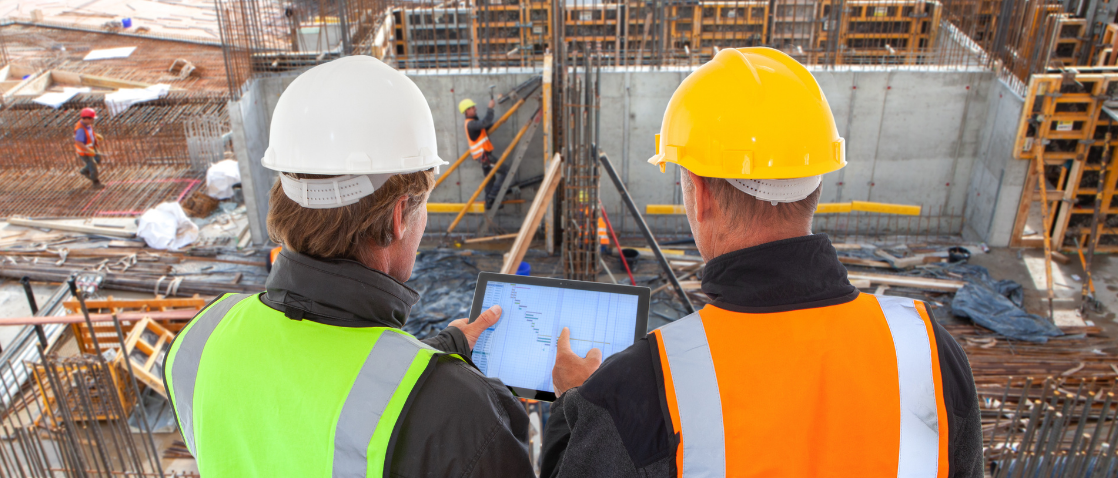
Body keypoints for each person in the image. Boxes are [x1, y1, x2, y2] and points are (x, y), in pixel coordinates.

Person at [542, 47, 982, 477]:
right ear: (816, 185)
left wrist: (573, 402)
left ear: (701, 194)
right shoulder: (930, 351)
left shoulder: (637, 389)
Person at [164, 56, 536, 478]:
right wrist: (581, 409)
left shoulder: (199, 339)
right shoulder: (464, 416)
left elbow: (306, 409)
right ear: (399, 216)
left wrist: (439, 354)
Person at [460, 96, 510, 206]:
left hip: (483, 156)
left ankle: (489, 201)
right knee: (506, 171)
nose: (475, 108)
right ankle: (493, 196)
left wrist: (499, 122)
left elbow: (484, 127)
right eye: (472, 107)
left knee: (490, 178)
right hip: (484, 156)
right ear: (467, 111)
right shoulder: (471, 124)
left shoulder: (473, 123)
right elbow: (484, 123)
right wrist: (490, 108)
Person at [74, 108, 103, 187]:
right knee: (92, 164)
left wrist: (95, 135)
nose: (93, 120)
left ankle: (85, 170)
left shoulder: (87, 124)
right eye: (92, 118)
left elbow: (88, 133)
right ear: (86, 118)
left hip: (91, 147)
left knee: (98, 158)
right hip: (85, 151)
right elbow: (78, 142)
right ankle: (95, 182)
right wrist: (88, 150)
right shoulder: (80, 129)